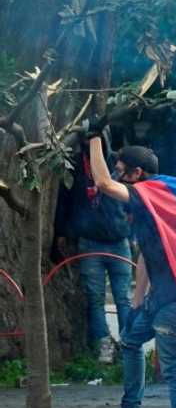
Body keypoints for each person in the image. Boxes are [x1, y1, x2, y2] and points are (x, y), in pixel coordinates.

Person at [90, 137, 176, 408]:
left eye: (122, 170)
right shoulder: (152, 204)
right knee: (132, 341)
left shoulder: (149, 193)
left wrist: (93, 139)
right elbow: (148, 254)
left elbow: (103, 182)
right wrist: (138, 300)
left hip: (175, 300)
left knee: (174, 369)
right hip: (159, 298)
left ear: (138, 173)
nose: (118, 175)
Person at [54, 139, 134, 363]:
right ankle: (104, 345)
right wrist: (62, 231)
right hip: (89, 242)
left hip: (119, 240)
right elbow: (64, 201)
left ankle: (130, 345)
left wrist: (130, 229)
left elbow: (132, 195)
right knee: (95, 297)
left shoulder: (116, 163)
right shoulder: (73, 165)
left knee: (123, 298)